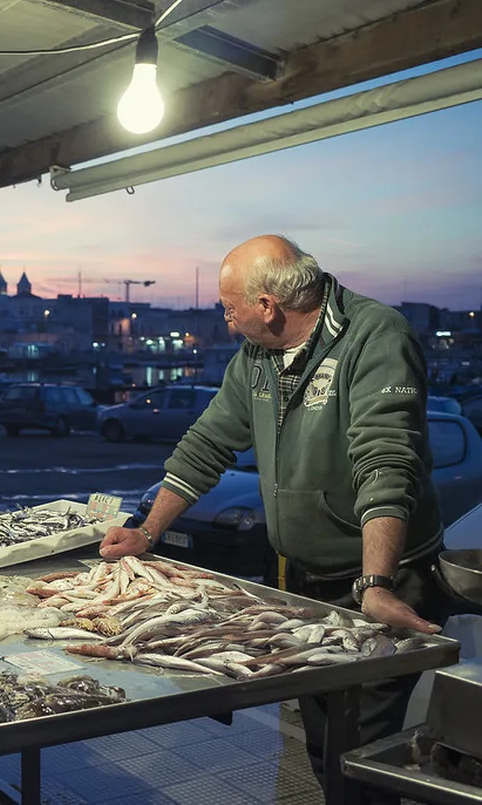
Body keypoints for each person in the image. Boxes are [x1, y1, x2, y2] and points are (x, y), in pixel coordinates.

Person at [98, 234, 448, 802]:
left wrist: (377, 582)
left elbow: (386, 462)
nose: (225, 318)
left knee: (358, 746)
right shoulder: (257, 356)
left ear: (266, 305)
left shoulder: (376, 335)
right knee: (323, 740)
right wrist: (147, 531)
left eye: (228, 306)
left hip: (384, 578)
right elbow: (207, 444)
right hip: (306, 580)